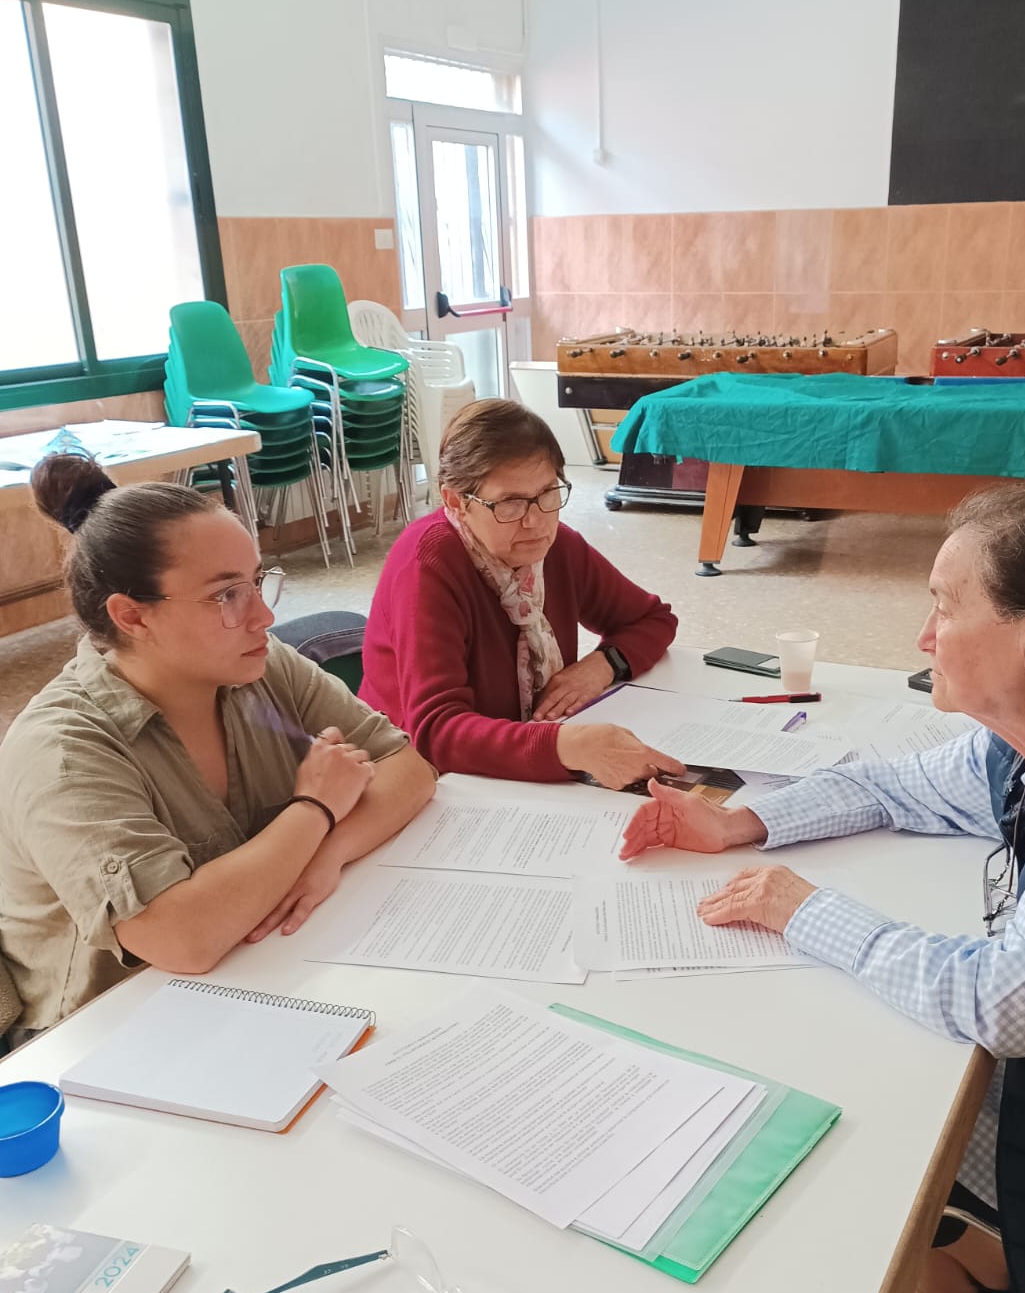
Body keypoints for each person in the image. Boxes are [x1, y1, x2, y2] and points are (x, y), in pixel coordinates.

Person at [619, 481, 1025, 1293]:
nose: (924, 637)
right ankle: (965, 1273)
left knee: (824, 1085)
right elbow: (900, 786)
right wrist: (741, 824)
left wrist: (800, 907)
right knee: (847, 1027)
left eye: (943, 604)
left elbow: (1012, 1006)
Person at [0, 456, 435, 1045]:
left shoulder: (256, 665)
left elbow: (408, 769)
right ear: (132, 616)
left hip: (254, 965)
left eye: (256, 581)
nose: (265, 615)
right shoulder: (62, 751)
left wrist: (326, 853)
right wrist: (315, 809)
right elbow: (180, 938)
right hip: (101, 1034)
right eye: (227, 595)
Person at [360, 399, 684, 787]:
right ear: (456, 502)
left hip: (514, 757)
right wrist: (566, 745)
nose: (535, 521)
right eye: (510, 504)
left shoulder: (556, 545)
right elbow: (435, 733)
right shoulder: (427, 564)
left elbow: (652, 619)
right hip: (412, 777)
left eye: (548, 493)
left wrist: (603, 665)